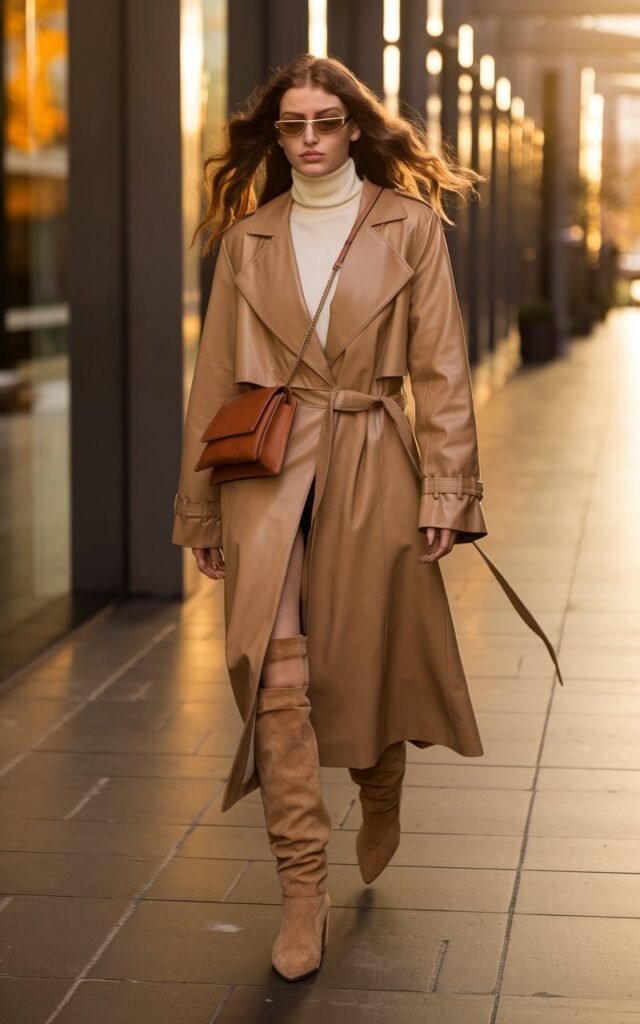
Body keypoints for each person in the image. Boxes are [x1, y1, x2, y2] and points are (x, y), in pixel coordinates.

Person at [171, 53, 561, 983]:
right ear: (276, 137)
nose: (309, 140)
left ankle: (380, 783)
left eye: (325, 123)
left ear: (353, 128)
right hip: (267, 468)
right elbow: (215, 377)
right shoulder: (249, 239)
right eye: (293, 125)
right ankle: (302, 889)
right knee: (272, 668)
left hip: (373, 456)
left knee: (362, 659)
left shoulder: (409, 226)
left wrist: (447, 492)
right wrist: (203, 511)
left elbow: (442, 369)